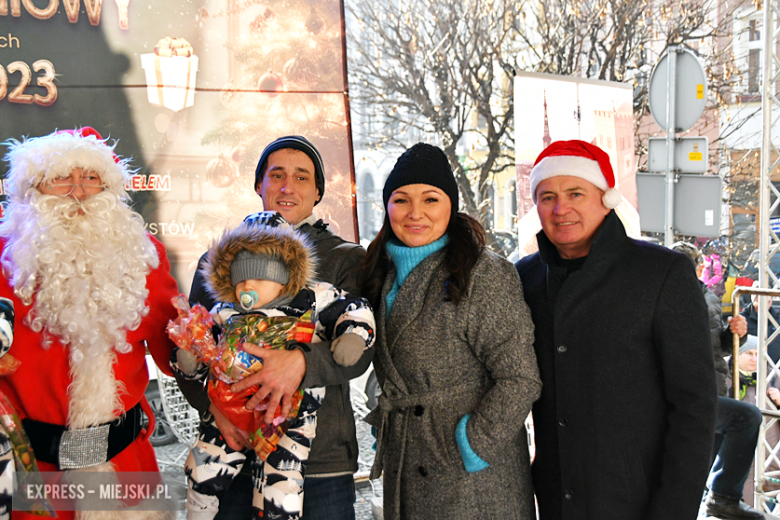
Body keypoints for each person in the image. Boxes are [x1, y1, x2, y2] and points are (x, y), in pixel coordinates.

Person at [514, 140, 717, 519]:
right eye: (547, 197)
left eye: (576, 193)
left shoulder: (661, 274)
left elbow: (695, 405)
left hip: (637, 502)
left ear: (606, 198)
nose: (561, 209)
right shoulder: (523, 278)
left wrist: (674, 510)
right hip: (555, 503)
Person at [181, 136, 369, 519]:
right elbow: (193, 341)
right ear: (258, 185)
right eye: (277, 175)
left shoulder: (345, 258)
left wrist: (300, 363)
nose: (288, 186)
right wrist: (214, 409)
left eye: (302, 177)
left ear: (317, 191)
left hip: (319, 461)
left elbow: (361, 352)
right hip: (232, 450)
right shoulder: (221, 261)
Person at [0, 128, 180, 519]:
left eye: (91, 179)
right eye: (62, 177)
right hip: (34, 473)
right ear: (33, 188)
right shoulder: (4, 261)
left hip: (128, 465)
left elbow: (178, 351)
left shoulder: (143, 258)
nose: (78, 192)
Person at [359, 143, 542, 520]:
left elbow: (520, 377)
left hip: (472, 482)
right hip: (408, 464)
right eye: (401, 200)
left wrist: (473, 443)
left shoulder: (483, 273)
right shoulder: (379, 272)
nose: (415, 214)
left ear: (450, 206)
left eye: (430, 199)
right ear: (386, 206)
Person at [670, 242, 762, 519]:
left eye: (690, 264)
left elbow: (719, 347)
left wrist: (736, 334)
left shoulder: (708, 296)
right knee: (744, 419)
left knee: (706, 463)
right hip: (682, 394)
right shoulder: (658, 296)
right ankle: (718, 501)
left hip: (712, 388)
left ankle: (717, 502)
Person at [729, 335, 780, 510]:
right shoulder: (726, 379)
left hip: (771, 457)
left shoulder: (773, 377)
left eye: (758, 354)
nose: (753, 359)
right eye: (748, 353)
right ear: (738, 354)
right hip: (737, 453)